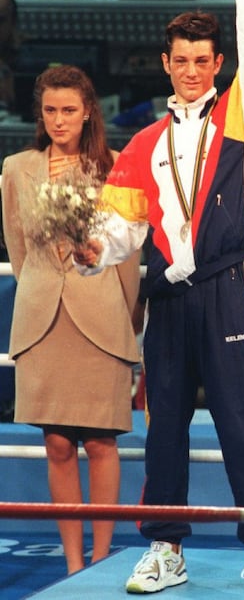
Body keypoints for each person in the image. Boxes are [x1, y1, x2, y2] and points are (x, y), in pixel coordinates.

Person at [73, 0, 244, 595]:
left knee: (243, 427)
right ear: (165, 64)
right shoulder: (140, 143)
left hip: (226, 289)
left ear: (217, 63)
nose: (192, 70)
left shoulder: (240, 118)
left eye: (202, 59)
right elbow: (120, 227)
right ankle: (166, 548)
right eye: (181, 60)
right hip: (166, 300)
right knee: (163, 426)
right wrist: (92, 251)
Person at [1, 64, 141, 575]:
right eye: (50, 111)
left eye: (69, 111)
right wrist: (41, 290)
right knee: (56, 443)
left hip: (101, 315)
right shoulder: (17, 169)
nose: (59, 121)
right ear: (40, 114)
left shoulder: (116, 167)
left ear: (88, 114)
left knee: (102, 442)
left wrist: (126, 323)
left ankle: (102, 562)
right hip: (43, 321)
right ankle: (73, 564)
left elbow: (127, 259)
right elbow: (18, 250)